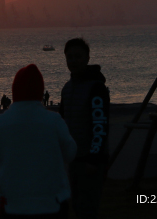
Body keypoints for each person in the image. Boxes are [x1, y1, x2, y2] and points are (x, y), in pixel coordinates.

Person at [0, 64, 76, 217]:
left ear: (15, 91)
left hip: (11, 202)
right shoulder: (54, 120)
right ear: (40, 92)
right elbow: (70, 153)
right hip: (51, 202)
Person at [60, 38, 109, 219]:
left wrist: (94, 159)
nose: (73, 61)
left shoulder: (96, 88)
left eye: (78, 56)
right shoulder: (67, 88)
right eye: (70, 57)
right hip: (73, 158)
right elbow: (62, 122)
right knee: (76, 205)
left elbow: (100, 126)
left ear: (87, 58)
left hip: (90, 159)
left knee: (88, 207)